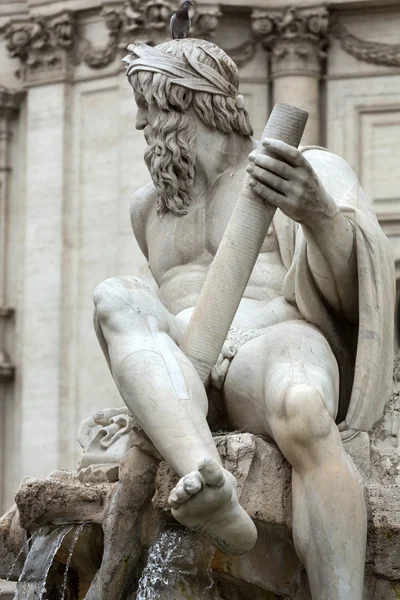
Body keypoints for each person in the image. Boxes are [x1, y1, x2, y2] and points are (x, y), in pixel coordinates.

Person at [93, 38, 394, 599]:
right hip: (187, 357)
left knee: (303, 409)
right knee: (116, 295)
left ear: (196, 103)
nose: (139, 124)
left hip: (276, 339)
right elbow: (151, 326)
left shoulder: (309, 168)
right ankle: (210, 485)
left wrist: (319, 214)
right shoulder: (149, 207)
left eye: (151, 107)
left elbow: (364, 299)